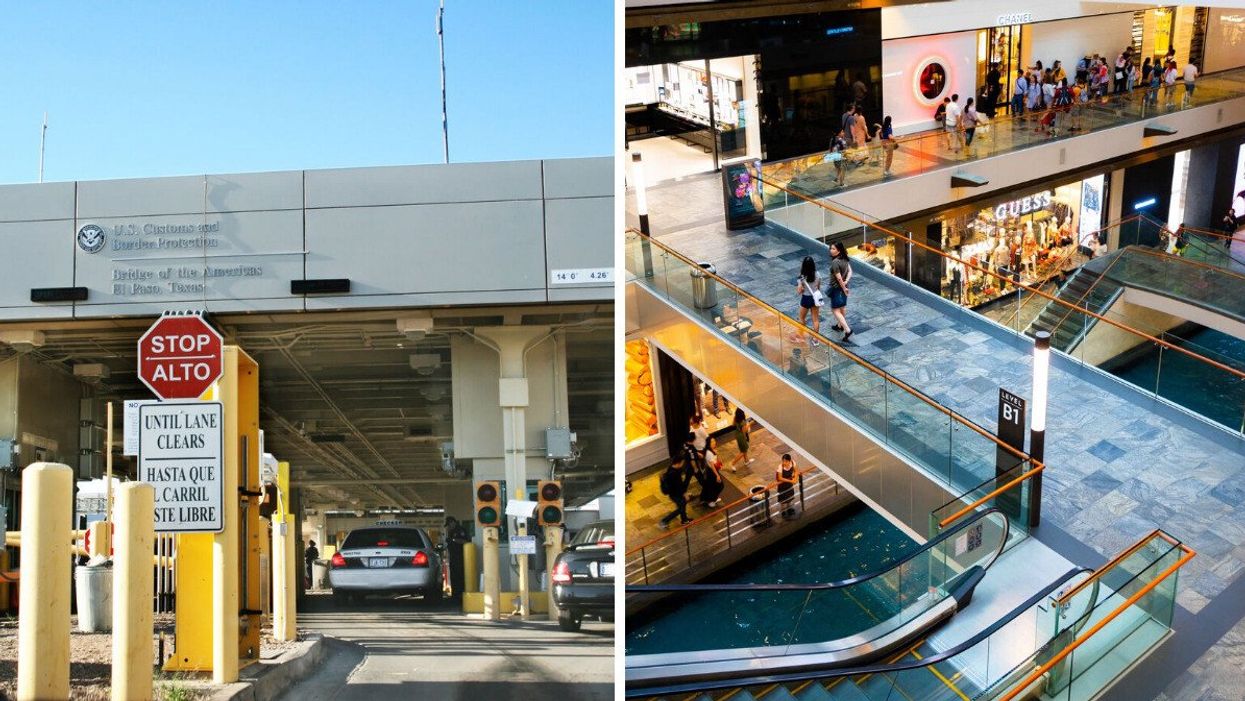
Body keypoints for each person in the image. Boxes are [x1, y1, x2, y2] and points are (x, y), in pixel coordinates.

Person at [827, 242, 853, 342]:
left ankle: (847, 330)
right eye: (831, 248)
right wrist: (846, 283)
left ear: (838, 250)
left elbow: (838, 278)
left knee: (835, 310)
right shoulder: (845, 259)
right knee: (842, 307)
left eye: (833, 249)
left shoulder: (835, 262)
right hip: (844, 286)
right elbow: (850, 272)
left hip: (837, 288)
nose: (831, 250)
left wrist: (843, 287)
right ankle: (839, 325)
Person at [658, 456, 693, 529]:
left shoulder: (671, 468)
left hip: (674, 493)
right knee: (680, 509)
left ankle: (684, 520)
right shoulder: (674, 474)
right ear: (678, 463)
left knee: (682, 506)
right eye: (682, 463)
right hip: (676, 494)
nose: (682, 464)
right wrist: (685, 494)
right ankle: (664, 521)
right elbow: (679, 486)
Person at [796, 255, 822, 344]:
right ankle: (815, 339)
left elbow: (799, 291)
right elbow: (818, 287)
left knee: (802, 318)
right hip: (815, 298)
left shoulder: (802, 277)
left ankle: (801, 336)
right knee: (815, 319)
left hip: (806, 298)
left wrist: (800, 286)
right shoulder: (817, 274)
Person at [698, 437, 725, 508]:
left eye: (714, 441)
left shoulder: (712, 450)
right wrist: (717, 475)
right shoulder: (709, 453)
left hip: (714, 471)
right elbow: (712, 465)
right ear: (708, 444)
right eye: (712, 442)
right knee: (719, 486)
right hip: (711, 472)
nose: (714, 443)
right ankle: (711, 500)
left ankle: (712, 499)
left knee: (712, 486)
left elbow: (716, 460)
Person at [776, 454, 798, 518]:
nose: (784, 463)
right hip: (782, 485)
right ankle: (783, 511)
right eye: (783, 461)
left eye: (786, 461)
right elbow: (780, 478)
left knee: (790, 497)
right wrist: (791, 481)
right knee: (783, 499)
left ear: (789, 461)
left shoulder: (793, 463)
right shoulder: (780, 467)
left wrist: (795, 479)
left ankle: (789, 509)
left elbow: (796, 471)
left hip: (789, 484)